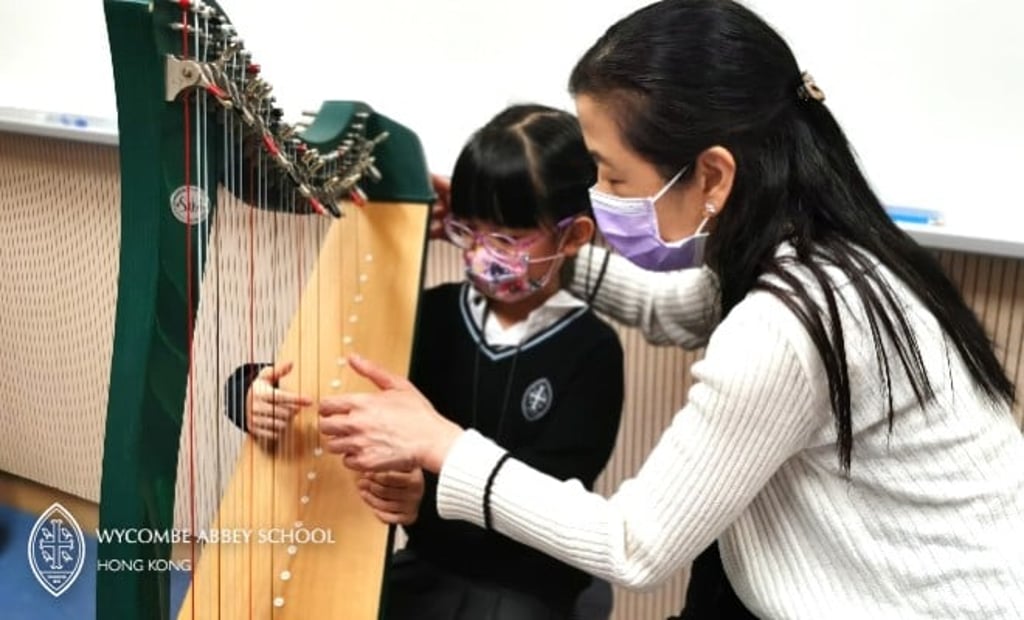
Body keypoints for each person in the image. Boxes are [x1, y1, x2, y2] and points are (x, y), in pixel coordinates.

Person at [316, 1, 1024, 618]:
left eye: (612, 173)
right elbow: (672, 306)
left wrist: (440, 442)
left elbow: (633, 543)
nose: (595, 195)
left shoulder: (789, 323)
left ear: (713, 175)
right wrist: (538, 246)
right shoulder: (823, 251)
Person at [228, 103, 626, 620]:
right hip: (431, 565)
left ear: (573, 237)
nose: (482, 252)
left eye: (506, 237)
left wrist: (425, 500)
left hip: (530, 581)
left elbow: (550, 504)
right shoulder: (435, 314)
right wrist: (251, 392)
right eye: (470, 229)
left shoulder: (592, 350)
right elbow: (327, 383)